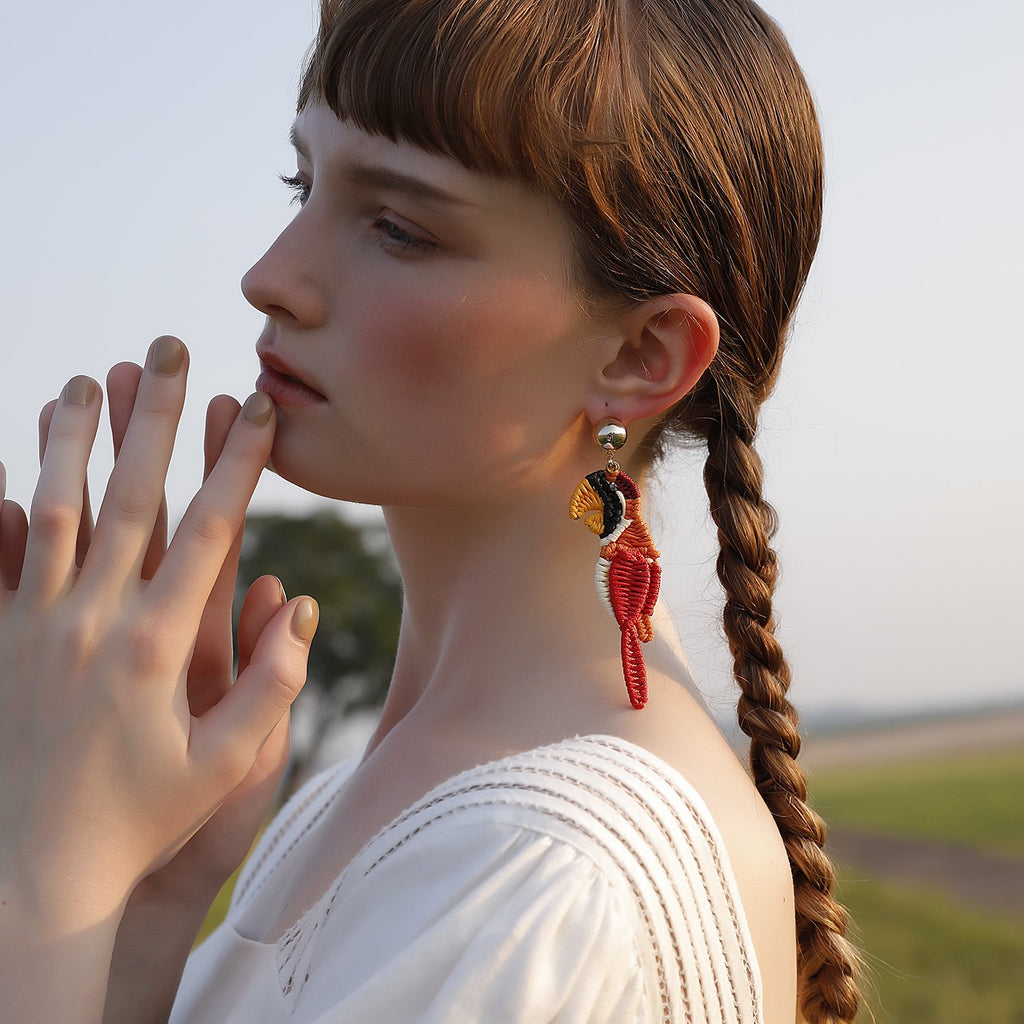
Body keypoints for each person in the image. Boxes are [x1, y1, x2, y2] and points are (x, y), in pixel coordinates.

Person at [0, 0, 862, 1021]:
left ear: (640, 357)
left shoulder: (553, 879)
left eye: (398, 227)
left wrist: (43, 869)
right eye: (302, 181)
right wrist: (142, 901)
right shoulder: (347, 805)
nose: (270, 277)